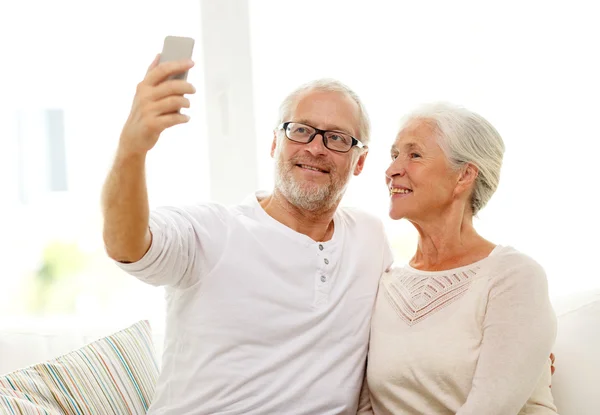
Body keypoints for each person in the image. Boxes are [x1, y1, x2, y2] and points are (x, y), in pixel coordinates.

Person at [101, 55, 392, 414]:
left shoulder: (369, 239)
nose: (315, 148)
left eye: (336, 138)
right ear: (275, 144)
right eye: (300, 130)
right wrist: (132, 149)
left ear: (359, 161)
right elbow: (126, 245)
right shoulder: (213, 232)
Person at [364, 103, 557, 414]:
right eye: (394, 155)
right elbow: (365, 406)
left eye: (414, 155)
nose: (392, 170)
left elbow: (489, 408)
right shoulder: (385, 283)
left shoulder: (513, 276)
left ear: (464, 176)